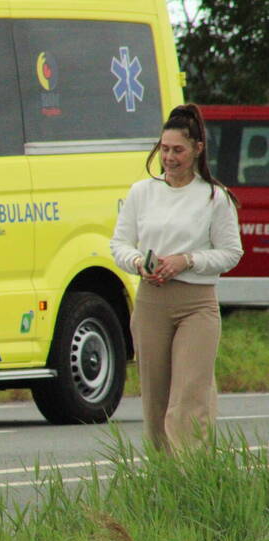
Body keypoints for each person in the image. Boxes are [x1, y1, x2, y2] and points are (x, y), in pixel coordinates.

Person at [110, 104, 242, 451]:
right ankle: (163, 480)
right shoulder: (142, 193)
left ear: (197, 149)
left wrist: (188, 260)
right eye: (164, 149)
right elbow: (120, 243)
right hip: (151, 302)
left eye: (178, 150)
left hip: (196, 305)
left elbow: (231, 253)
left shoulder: (214, 197)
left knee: (187, 400)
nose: (169, 157)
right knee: (156, 403)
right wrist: (138, 262)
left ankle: (192, 475)